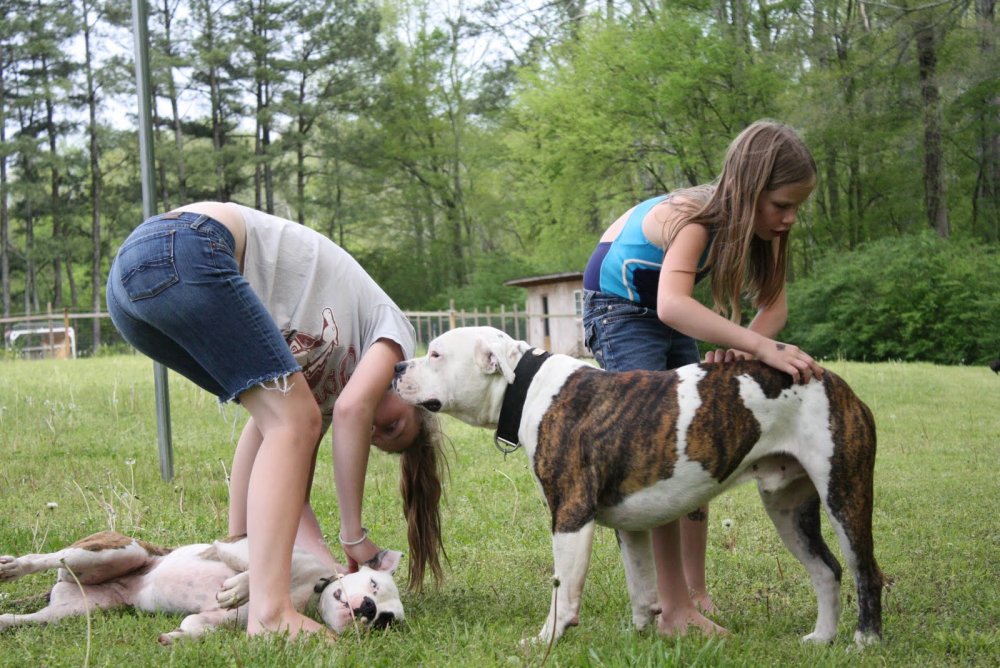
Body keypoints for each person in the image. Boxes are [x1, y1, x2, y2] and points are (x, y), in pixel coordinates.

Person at [106, 201, 445, 638]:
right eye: (394, 425)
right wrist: (352, 533)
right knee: (293, 421)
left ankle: (260, 596)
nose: (374, 430)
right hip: (181, 246)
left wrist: (248, 554)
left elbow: (271, 457)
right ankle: (270, 616)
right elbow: (351, 411)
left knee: (282, 423)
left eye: (380, 440)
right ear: (411, 392)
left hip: (133, 295)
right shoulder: (396, 337)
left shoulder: (315, 398)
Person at [581, 120, 824, 637]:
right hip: (620, 308)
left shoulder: (769, 227)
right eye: (782, 204)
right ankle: (672, 611)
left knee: (695, 446)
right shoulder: (697, 218)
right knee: (662, 448)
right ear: (750, 188)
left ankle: (693, 592)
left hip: (666, 311)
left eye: (796, 206)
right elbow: (671, 304)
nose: (790, 217)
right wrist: (758, 347)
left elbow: (774, 307)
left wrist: (742, 346)